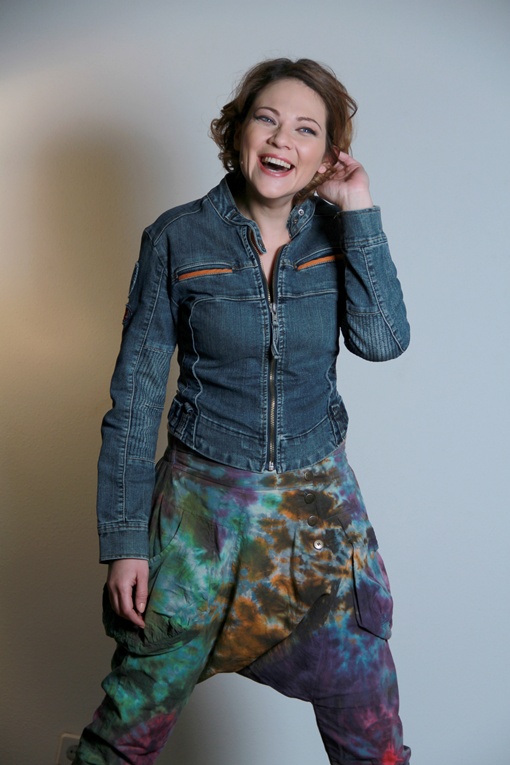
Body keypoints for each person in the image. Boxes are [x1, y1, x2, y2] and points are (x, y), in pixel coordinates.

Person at [73, 58, 411, 765]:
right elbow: (135, 399)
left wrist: (360, 208)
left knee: (373, 743)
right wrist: (125, 541)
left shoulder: (340, 232)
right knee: (125, 735)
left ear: (327, 154)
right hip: (199, 524)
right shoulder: (176, 238)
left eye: (306, 129)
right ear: (238, 131)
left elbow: (382, 341)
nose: (283, 138)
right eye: (267, 118)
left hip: (318, 523)